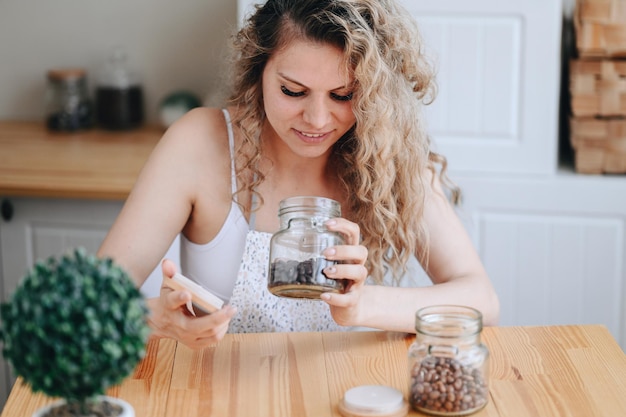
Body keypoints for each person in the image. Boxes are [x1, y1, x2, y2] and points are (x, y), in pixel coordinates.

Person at [97, 0, 500, 349]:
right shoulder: (200, 143)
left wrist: (361, 306)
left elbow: (481, 299)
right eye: (293, 91)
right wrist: (155, 319)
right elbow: (88, 298)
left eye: (343, 96)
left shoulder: (389, 156)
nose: (317, 119)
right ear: (259, 72)